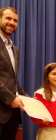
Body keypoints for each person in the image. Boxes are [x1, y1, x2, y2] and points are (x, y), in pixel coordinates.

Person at [0, 7, 29, 140]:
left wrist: (31, 101)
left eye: (15, 20)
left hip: (12, 116)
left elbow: (13, 80)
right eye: (8, 18)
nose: (12, 22)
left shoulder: (15, 50)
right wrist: (11, 98)